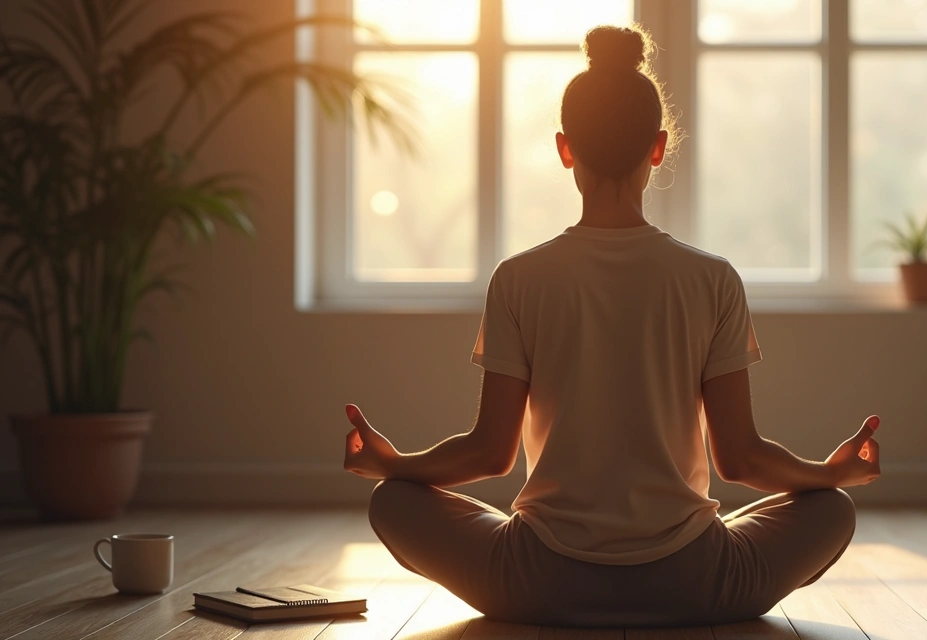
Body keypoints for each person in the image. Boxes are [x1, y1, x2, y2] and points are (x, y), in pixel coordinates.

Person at [341, 24, 881, 628]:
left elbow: (490, 454)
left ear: (565, 148)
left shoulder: (518, 278)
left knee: (393, 503)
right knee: (832, 510)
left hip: (538, 580)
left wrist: (395, 465)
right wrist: (829, 474)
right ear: (658, 146)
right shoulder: (713, 279)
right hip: (694, 580)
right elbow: (741, 460)